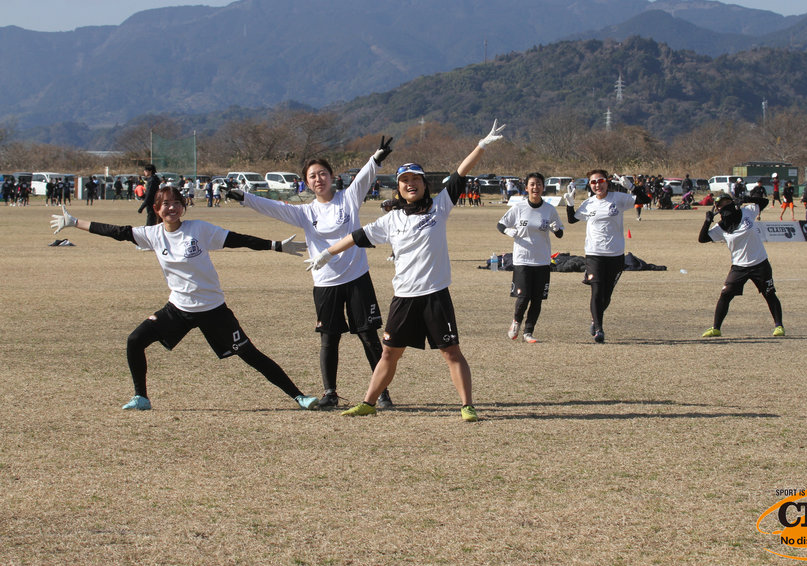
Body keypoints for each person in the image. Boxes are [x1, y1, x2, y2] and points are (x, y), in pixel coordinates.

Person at [49, 187, 319, 411]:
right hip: (178, 309)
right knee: (135, 340)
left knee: (250, 354)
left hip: (213, 310)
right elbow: (116, 232)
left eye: (177, 203)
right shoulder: (152, 235)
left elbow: (236, 239)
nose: (172, 208)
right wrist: (75, 223)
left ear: (183, 207)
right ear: (156, 209)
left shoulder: (198, 229)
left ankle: (299, 396)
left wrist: (276, 245)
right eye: (166, 204)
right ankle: (141, 397)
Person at [307, 120, 506, 422]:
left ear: (425, 184)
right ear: (398, 188)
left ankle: (467, 406)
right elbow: (356, 237)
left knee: (451, 352)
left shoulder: (440, 207)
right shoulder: (391, 220)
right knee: (389, 353)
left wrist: (481, 146)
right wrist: (326, 253)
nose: (410, 184)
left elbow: (460, 173)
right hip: (404, 298)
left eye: (416, 179)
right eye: (404, 180)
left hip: (435, 295)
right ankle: (368, 402)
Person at [228, 137, 395, 409]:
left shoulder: (348, 199)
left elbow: (363, 179)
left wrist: (376, 159)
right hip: (325, 283)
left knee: (368, 336)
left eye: (323, 174)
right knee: (329, 338)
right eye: (313, 176)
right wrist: (245, 198)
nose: (319, 179)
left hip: (357, 279)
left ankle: (382, 393)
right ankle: (330, 393)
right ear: (306, 183)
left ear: (332, 176)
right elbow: (273, 208)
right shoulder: (306, 213)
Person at [698, 192, 785, 338]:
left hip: (760, 263)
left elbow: (763, 202)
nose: (725, 206)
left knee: (769, 294)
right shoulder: (721, 227)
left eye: (727, 202)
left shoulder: (747, 212)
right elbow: (702, 239)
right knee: (725, 295)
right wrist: (707, 222)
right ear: (717, 209)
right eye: (721, 205)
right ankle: (716, 328)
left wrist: (747, 199)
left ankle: (779, 326)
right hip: (739, 267)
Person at [564, 169, 635, 344]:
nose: (597, 185)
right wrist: (570, 204)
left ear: (607, 182)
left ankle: (594, 319)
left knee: (606, 295)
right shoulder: (588, 203)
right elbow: (572, 219)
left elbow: (645, 200)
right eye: (593, 182)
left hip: (615, 254)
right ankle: (599, 329)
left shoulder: (618, 198)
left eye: (600, 181)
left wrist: (633, 188)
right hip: (594, 254)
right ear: (590, 185)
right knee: (596, 290)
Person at [497, 172, 564, 344]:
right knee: (523, 296)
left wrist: (556, 229)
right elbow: (500, 224)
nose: (536, 187)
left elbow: (560, 233)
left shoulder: (549, 210)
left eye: (539, 184)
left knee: (537, 299)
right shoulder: (519, 208)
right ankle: (516, 322)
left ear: (543, 187)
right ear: (526, 188)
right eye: (532, 184)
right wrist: (508, 230)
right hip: (523, 259)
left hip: (542, 260)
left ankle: (528, 332)